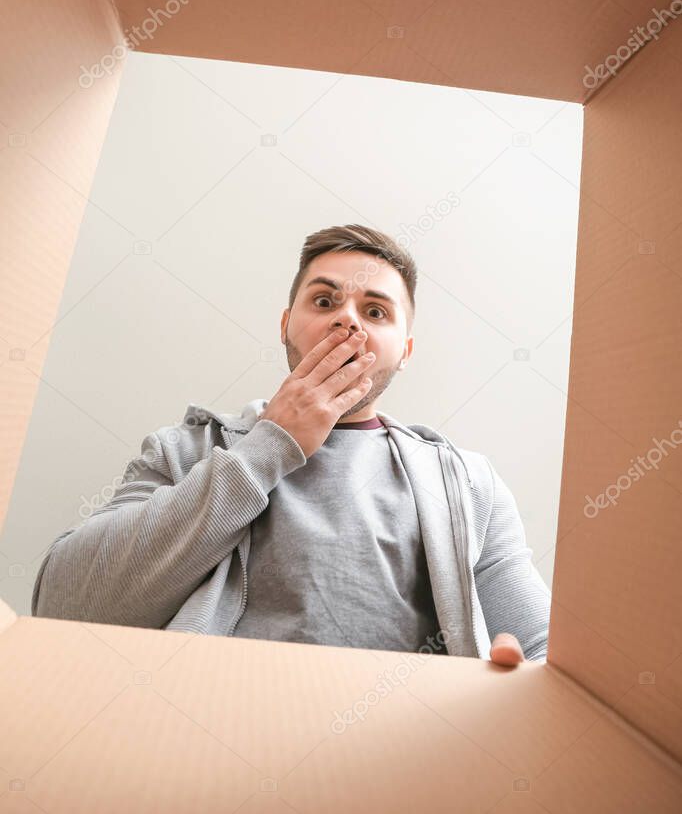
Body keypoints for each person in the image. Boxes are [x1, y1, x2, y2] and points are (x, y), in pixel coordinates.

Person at [32, 224, 550, 666]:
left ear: (405, 350)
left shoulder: (466, 484)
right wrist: (270, 446)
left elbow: (539, 649)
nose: (347, 319)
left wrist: (514, 677)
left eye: (376, 312)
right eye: (325, 301)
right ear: (287, 325)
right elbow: (67, 604)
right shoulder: (184, 451)